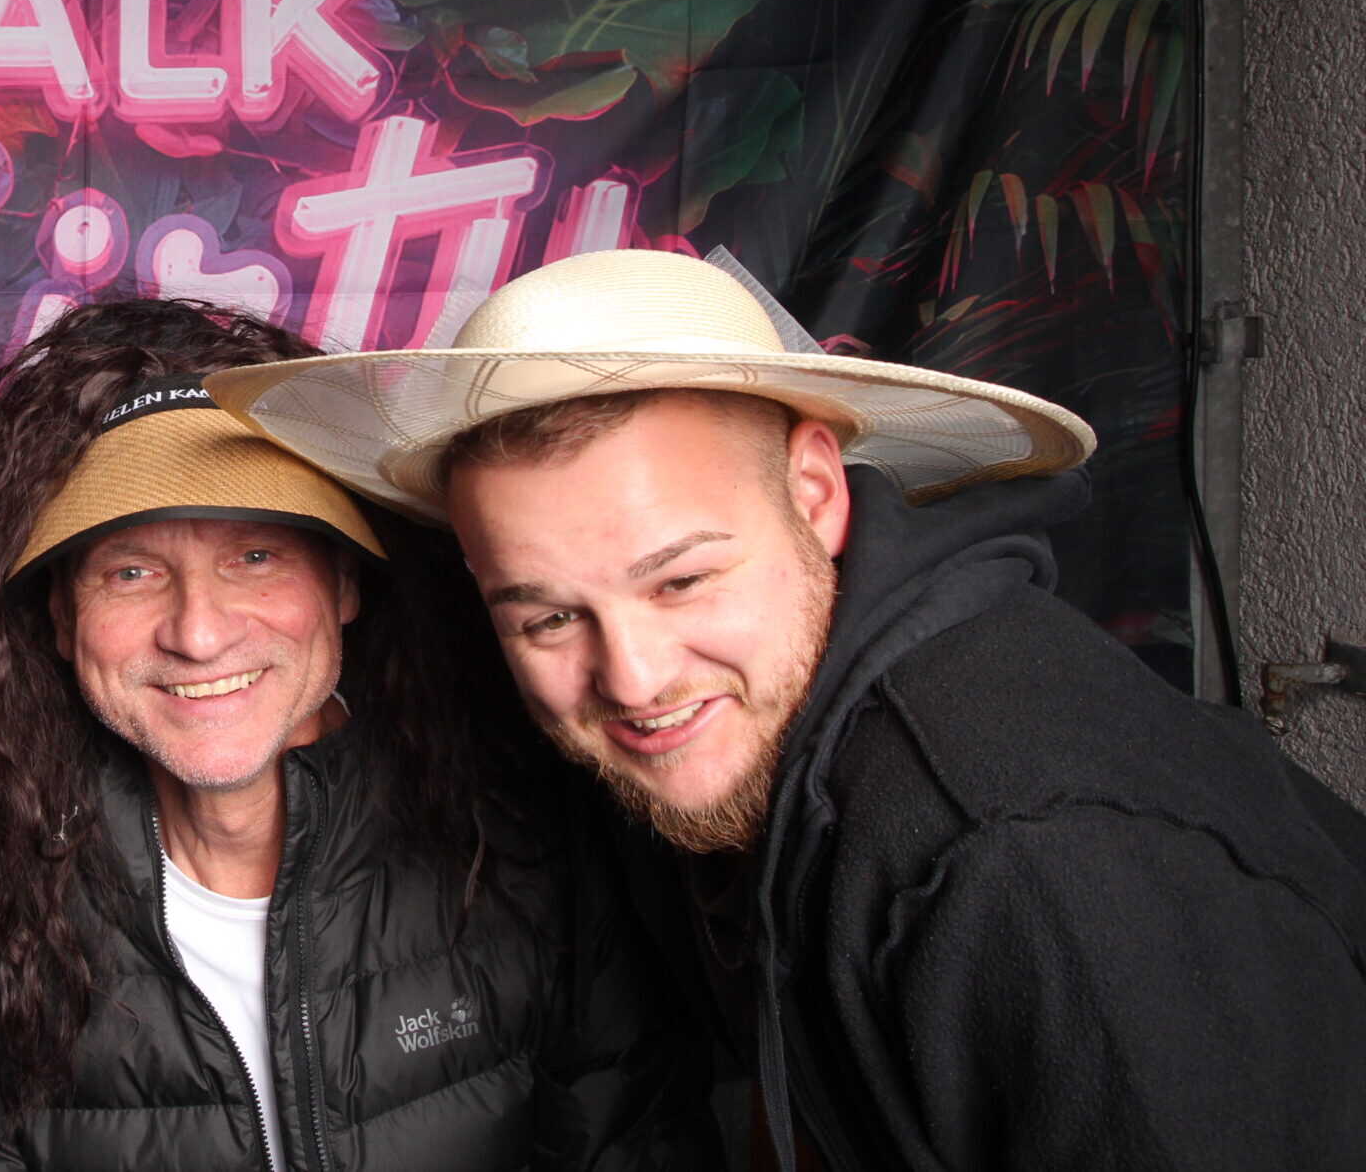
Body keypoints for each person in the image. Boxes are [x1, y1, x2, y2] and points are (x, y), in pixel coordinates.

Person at [207, 247, 1366, 1171]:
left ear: (813, 492)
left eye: (682, 579)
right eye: (546, 618)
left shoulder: (1024, 852)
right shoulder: (784, 750)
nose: (635, 680)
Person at [0, 297, 722, 1171]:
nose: (199, 630)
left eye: (254, 556)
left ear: (344, 583)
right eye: (132, 571)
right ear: (61, 621)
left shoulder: (523, 843)